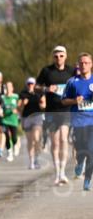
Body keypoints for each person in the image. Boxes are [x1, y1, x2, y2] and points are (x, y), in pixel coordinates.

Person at [37, 46, 74, 185]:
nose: (59, 58)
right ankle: (57, 172)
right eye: (56, 56)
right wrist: (46, 89)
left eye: (61, 55)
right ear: (53, 57)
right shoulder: (47, 71)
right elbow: (36, 87)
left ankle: (63, 172)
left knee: (64, 139)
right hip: (51, 111)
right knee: (55, 142)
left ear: (66, 56)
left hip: (66, 110)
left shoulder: (71, 71)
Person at [62, 52, 93, 191]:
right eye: (81, 63)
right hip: (78, 122)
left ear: (91, 64)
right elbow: (63, 101)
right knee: (81, 149)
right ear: (78, 65)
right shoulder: (72, 82)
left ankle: (87, 180)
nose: (83, 65)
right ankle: (79, 162)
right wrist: (75, 100)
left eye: (86, 62)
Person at [19, 77, 45, 170]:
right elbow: (19, 107)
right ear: (27, 84)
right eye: (29, 84)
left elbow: (44, 105)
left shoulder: (39, 93)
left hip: (37, 117)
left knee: (36, 138)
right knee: (30, 141)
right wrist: (23, 104)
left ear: (35, 84)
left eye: (32, 84)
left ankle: (37, 158)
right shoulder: (23, 94)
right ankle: (31, 161)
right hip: (27, 118)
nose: (30, 85)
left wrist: (41, 105)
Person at [0, 81, 20, 162]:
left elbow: (20, 106)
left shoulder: (16, 97)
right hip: (5, 120)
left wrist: (17, 110)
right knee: (7, 136)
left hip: (13, 120)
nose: (8, 88)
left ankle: (16, 145)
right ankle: (9, 153)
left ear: (12, 88)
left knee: (14, 137)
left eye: (9, 86)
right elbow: (0, 107)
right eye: (6, 86)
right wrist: (0, 112)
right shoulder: (2, 97)